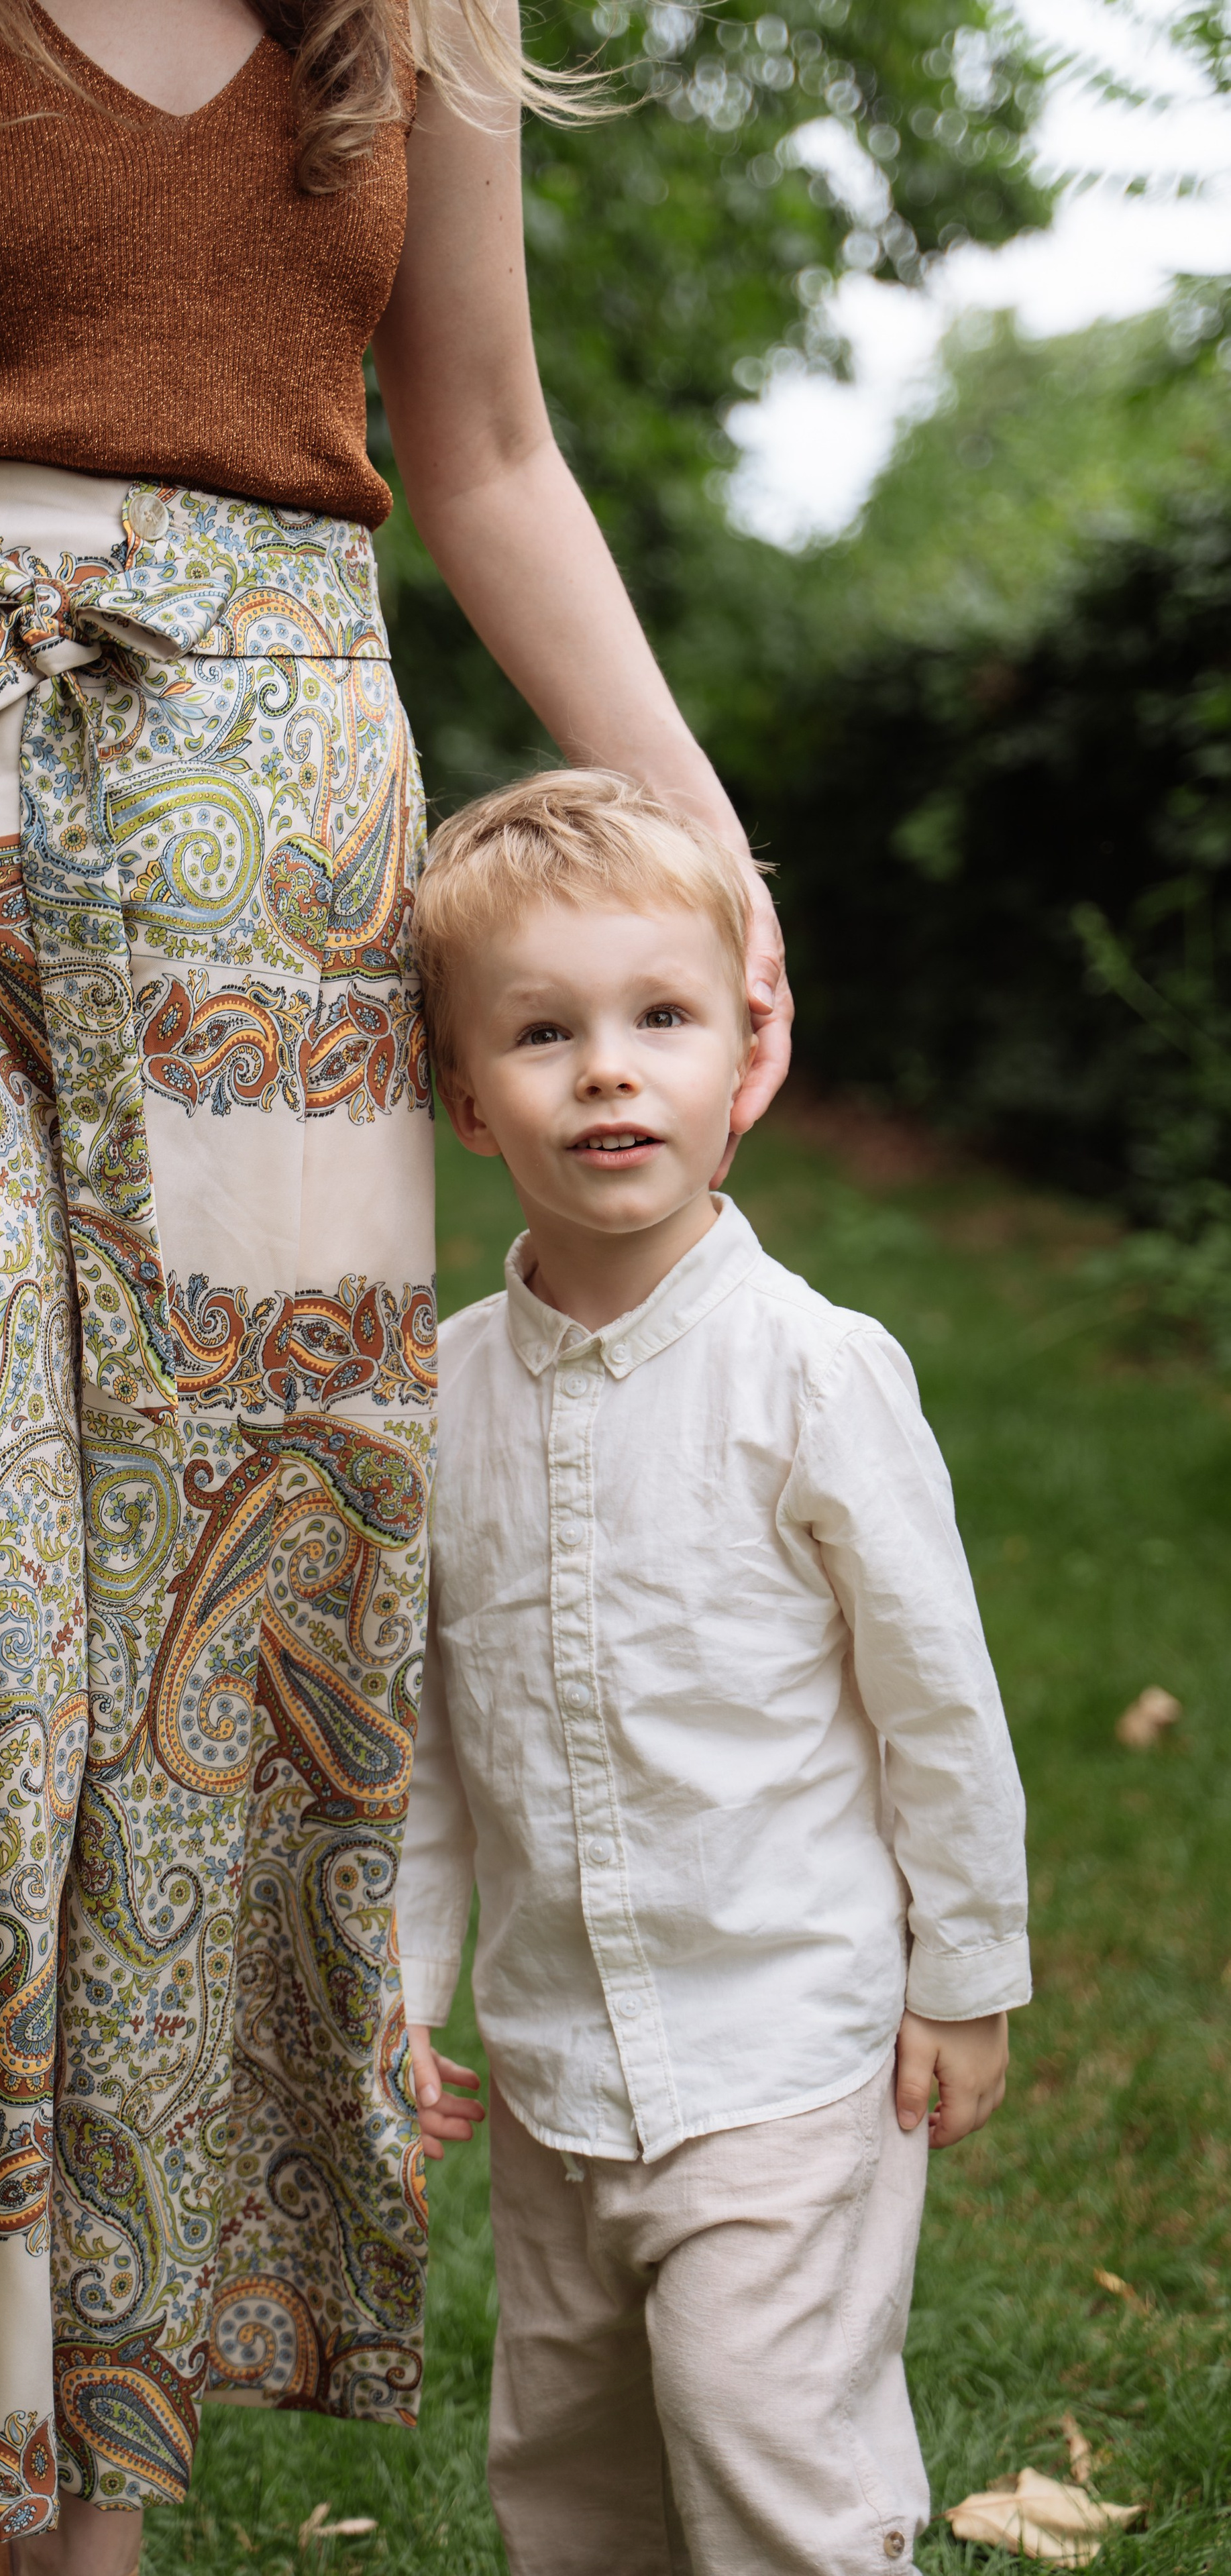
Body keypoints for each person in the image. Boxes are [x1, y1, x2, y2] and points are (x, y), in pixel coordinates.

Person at [0, 5, 792, 2571]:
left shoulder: (422, 9)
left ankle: (93, 2506)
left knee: (222, 1665)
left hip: (273, 836)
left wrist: (707, 841)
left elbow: (490, 448)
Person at [398, 768, 1030, 2576]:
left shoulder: (813, 1374)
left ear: (743, 1051)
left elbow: (937, 1701)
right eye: (544, 1032)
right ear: (463, 1095)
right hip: (554, 2065)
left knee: (772, 2457)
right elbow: (436, 1735)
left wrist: (965, 1970)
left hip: (785, 2043)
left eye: (660, 1018)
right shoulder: (442, 1397)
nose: (609, 1069)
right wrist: (405, 1983)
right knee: (573, 2468)